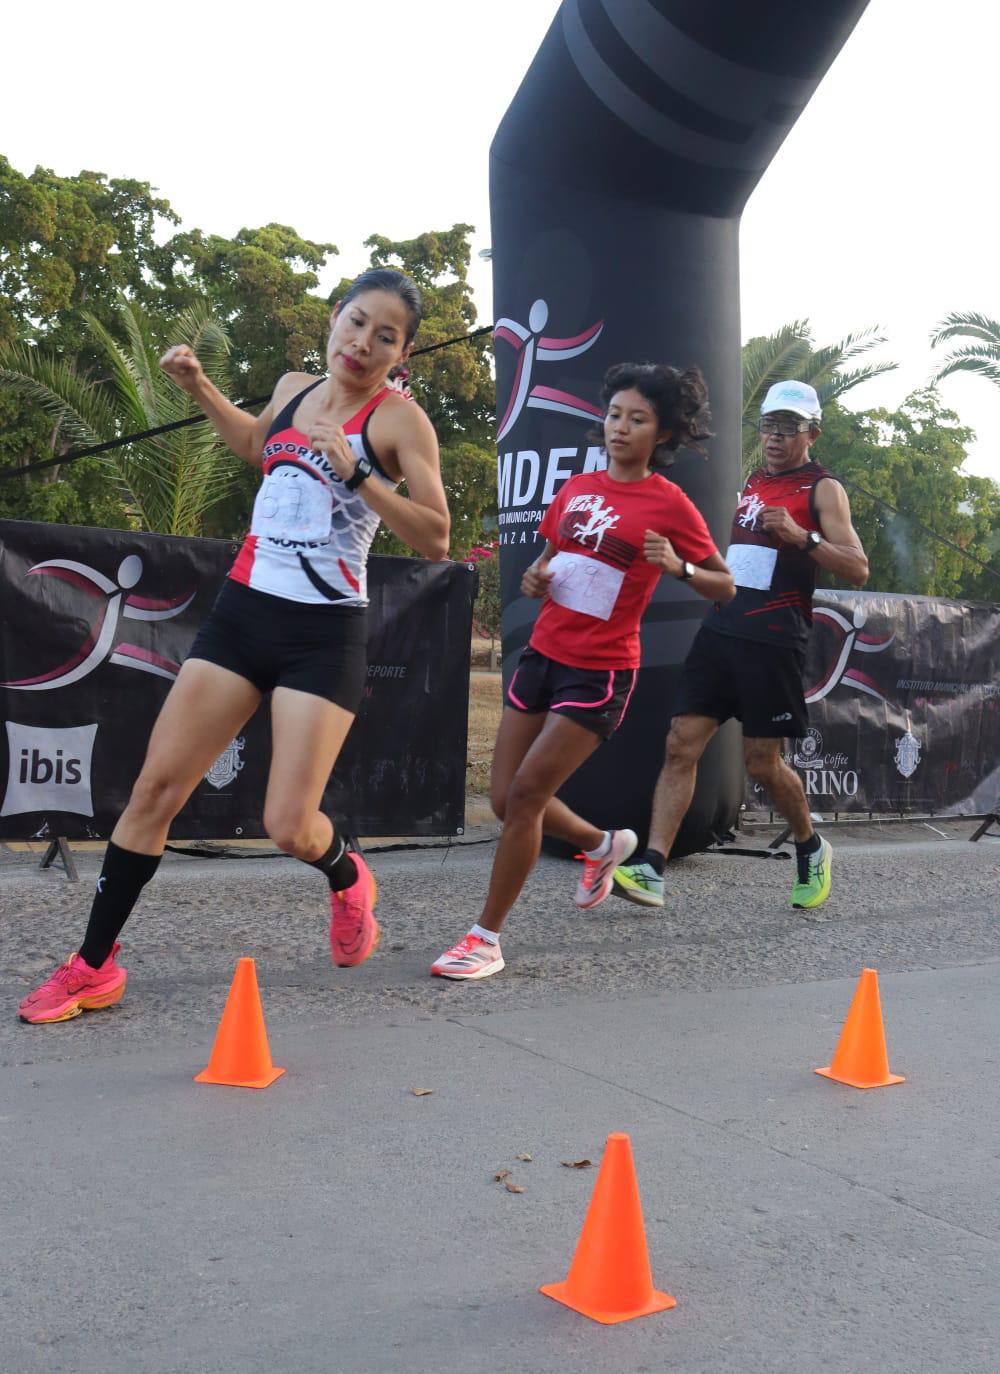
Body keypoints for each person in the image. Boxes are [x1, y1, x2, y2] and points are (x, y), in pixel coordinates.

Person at [18, 268, 450, 1025]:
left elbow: (436, 535)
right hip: (245, 613)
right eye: (356, 322)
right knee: (154, 791)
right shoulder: (292, 387)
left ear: (402, 352)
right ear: (335, 319)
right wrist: (200, 388)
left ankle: (347, 876)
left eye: (385, 336)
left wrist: (360, 479)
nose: (362, 342)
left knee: (290, 824)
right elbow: (258, 445)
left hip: (324, 633)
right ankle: (93, 966)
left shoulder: (398, 423)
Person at [431, 362, 735, 981]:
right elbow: (545, 564)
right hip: (542, 654)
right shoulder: (577, 488)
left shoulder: (669, 504)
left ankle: (485, 938)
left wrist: (678, 568)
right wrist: (534, 578)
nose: (621, 427)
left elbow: (724, 585)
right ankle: (603, 845)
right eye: (615, 414)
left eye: (638, 419)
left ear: (664, 434)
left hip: (597, 673)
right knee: (505, 796)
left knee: (524, 799)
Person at [613, 379, 869, 911]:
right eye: (768, 425)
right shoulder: (754, 479)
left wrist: (805, 539)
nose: (774, 437)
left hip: (774, 642)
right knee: (680, 742)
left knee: (760, 764)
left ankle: (811, 846)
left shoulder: (823, 488)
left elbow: (858, 566)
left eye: (788, 428)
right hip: (722, 632)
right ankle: (653, 867)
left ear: (812, 433)